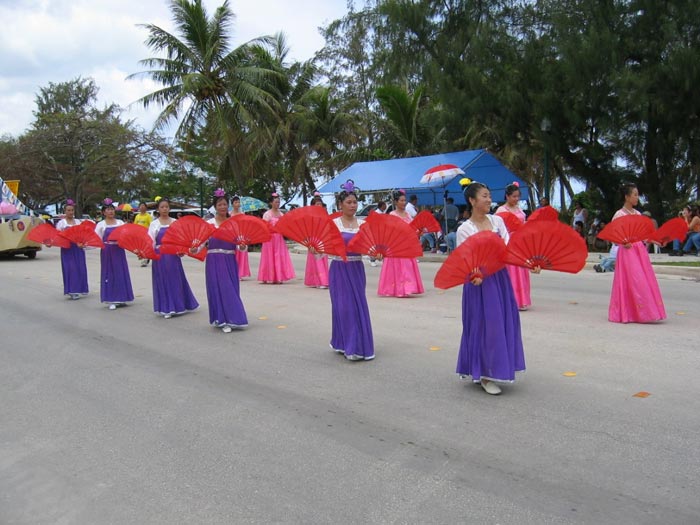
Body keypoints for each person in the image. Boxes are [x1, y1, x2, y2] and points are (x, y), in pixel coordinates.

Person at [455, 181, 533, 395]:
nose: (489, 200)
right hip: (478, 282)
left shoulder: (497, 221)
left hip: (499, 279)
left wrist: (528, 262)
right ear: (472, 200)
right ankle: (484, 374)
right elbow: (465, 258)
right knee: (484, 325)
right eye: (484, 196)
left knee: (503, 323)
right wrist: (474, 274)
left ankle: (495, 367)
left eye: (489, 195)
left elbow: (508, 249)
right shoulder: (465, 229)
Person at [329, 181, 374, 361]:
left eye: (355, 202)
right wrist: (316, 250)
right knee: (343, 307)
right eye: (349, 202)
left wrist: (376, 254)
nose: (353, 205)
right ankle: (346, 344)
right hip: (339, 268)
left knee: (357, 306)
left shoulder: (363, 224)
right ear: (340, 204)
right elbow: (324, 247)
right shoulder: (333, 224)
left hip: (356, 268)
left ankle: (357, 345)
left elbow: (369, 247)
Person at [608, 183, 666, 324]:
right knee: (633, 281)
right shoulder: (619, 214)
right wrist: (623, 242)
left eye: (637, 195)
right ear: (627, 197)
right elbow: (613, 235)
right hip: (627, 252)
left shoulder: (638, 214)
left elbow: (644, 235)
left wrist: (657, 241)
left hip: (639, 251)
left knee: (643, 280)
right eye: (635, 194)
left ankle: (645, 312)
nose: (637, 197)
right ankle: (630, 313)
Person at [205, 190, 248, 333]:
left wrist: (243, 246)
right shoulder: (209, 223)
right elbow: (201, 242)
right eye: (220, 204)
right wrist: (194, 249)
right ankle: (221, 319)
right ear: (215, 207)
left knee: (230, 288)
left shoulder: (233, 223)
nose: (223, 207)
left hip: (229, 259)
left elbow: (241, 245)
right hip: (213, 260)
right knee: (217, 288)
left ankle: (233, 318)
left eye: (225, 204)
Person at [148, 197, 199, 319]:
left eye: (166, 207)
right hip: (160, 255)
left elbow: (181, 239)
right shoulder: (154, 224)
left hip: (173, 255)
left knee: (176, 279)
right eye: (162, 207)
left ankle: (179, 305)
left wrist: (182, 250)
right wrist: (149, 253)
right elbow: (151, 241)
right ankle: (167, 307)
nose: (164, 209)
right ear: (158, 209)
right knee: (163, 280)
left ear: (169, 208)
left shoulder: (175, 222)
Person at [377, 190, 424, 297]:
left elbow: (412, 227)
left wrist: (418, 231)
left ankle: (408, 288)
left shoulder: (408, 214)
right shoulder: (392, 215)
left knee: (407, 267)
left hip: (407, 245)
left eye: (404, 200)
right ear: (395, 202)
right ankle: (398, 289)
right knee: (397, 268)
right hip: (395, 245)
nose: (403, 202)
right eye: (401, 200)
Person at [495, 182, 531, 311]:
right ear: (507, 196)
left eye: (518, 196)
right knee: (512, 271)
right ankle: (511, 300)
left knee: (522, 270)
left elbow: (523, 222)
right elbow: (496, 227)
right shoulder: (501, 210)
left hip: (521, 242)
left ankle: (522, 300)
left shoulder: (519, 209)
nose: (516, 199)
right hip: (508, 241)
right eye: (514, 196)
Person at [94, 198, 134, 310]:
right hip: (107, 251)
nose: (110, 211)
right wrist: (85, 246)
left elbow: (126, 236)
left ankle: (123, 297)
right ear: (103, 212)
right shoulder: (101, 225)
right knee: (109, 274)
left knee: (121, 272)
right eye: (108, 209)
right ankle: (111, 299)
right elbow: (96, 240)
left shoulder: (120, 223)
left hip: (119, 250)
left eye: (112, 209)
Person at [257, 193, 296, 284]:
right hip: (269, 238)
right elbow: (264, 226)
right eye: (276, 202)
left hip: (278, 238)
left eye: (278, 202)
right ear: (271, 203)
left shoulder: (281, 214)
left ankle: (279, 276)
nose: (277, 204)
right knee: (268, 257)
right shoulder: (267, 214)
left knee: (279, 257)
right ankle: (267, 276)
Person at [55, 199, 88, 300]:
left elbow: (83, 234)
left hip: (78, 247)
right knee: (70, 269)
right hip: (67, 249)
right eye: (68, 210)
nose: (70, 212)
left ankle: (81, 288)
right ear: (65, 211)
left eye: (72, 210)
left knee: (80, 268)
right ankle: (72, 290)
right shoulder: (61, 223)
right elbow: (57, 236)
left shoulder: (78, 222)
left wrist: (83, 243)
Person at [304, 195, 330, 288]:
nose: (319, 206)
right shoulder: (309, 216)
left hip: (322, 239)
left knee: (323, 259)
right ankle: (321, 281)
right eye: (317, 204)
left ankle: (323, 280)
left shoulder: (324, 215)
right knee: (316, 260)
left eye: (320, 204)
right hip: (313, 240)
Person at [230, 195, 251, 279]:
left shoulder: (242, 214)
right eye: (236, 202)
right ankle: (233, 271)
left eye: (238, 202)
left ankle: (240, 273)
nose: (238, 204)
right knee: (234, 254)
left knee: (241, 253)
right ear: (232, 204)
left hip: (241, 234)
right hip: (232, 235)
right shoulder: (229, 214)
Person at [133, 201, 153, 266]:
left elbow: (152, 225)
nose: (142, 207)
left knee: (145, 248)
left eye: (143, 206)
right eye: (140, 206)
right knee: (140, 248)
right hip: (139, 235)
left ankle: (144, 261)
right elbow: (135, 225)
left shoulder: (148, 216)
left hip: (146, 235)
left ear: (146, 208)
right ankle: (145, 258)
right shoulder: (137, 216)